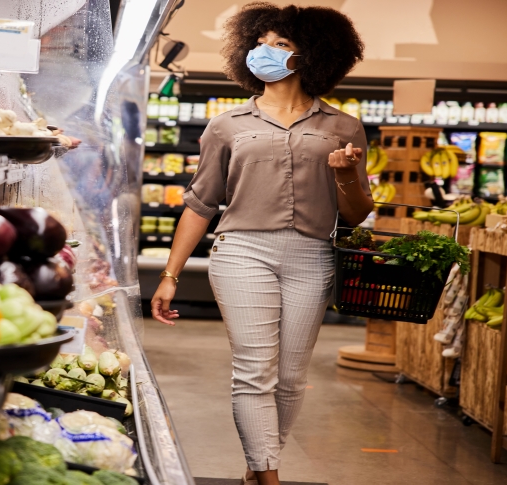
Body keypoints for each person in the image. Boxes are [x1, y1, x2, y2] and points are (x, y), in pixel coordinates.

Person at [149, 4, 372, 485]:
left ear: (310, 55)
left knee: (290, 379)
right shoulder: (225, 125)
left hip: (312, 256)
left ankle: (256, 468)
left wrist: (345, 174)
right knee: (254, 372)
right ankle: (270, 479)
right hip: (242, 253)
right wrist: (170, 275)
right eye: (260, 42)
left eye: (281, 44)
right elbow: (200, 203)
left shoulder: (344, 127)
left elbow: (356, 213)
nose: (264, 52)